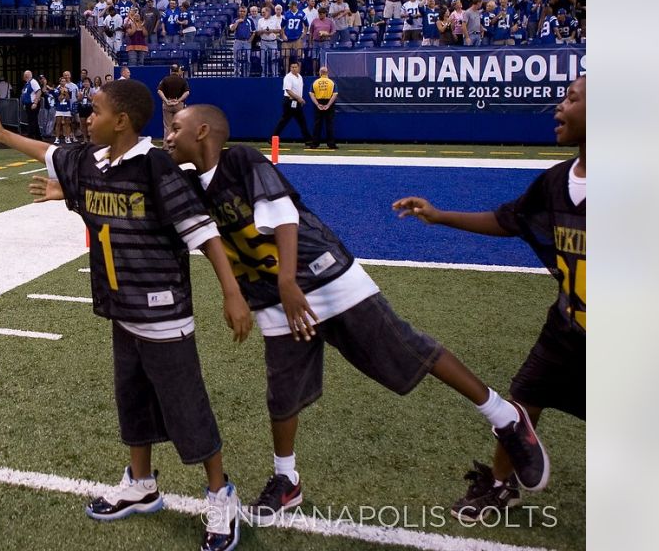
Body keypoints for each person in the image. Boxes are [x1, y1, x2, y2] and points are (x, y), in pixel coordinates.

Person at [161, 104, 549, 526]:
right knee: (282, 391)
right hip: (269, 296)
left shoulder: (241, 159)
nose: (168, 134)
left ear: (202, 131)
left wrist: (290, 282)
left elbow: (285, 216)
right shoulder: (188, 184)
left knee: (407, 349)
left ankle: (505, 416)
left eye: (176, 127)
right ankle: (286, 479)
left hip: (320, 275)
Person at [0, 81, 251, 551]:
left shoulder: (156, 167)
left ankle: (221, 494)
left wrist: (232, 293)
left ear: (121, 121)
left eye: (95, 110)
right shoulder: (89, 160)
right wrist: (4, 137)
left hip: (163, 313)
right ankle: (141, 484)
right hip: (122, 312)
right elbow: (50, 153)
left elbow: (202, 231)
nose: (86, 116)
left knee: (187, 410)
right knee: (132, 403)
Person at [393, 74, 585, 520]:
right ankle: (500, 486)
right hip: (567, 325)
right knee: (521, 403)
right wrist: (439, 217)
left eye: (571, 98)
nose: (559, 105)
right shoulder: (556, 182)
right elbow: (509, 221)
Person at [272, 62, 313, 148]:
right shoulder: (288, 77)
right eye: (292, 67)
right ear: (290, 68)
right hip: (290, 102)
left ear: (298, 68)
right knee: (284, 121)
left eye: (295, 67)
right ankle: (273, 139)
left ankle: (308, 140)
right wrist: (299, 98)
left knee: (301, 121)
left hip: (296, 102)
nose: (294, 69)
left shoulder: (299, 77)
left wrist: (299, 100)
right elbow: (288, 90)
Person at [157, 64, 190, 138]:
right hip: (178, 104)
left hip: (167, 104)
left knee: (168, 126)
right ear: (178, 71)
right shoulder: (182, 80)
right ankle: (179, 145)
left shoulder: (165, 79)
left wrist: (166, 100)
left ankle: (167, 146)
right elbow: (187, 92)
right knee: (179, 125)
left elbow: (159, 91)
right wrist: (179, 100)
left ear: (170, 71)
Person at [308, 66, 338, 149]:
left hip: (319, 102)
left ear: (320, 73)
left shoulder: (315, 82)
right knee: (329, 124)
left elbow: (311, 94)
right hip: (329, 102)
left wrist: (317, 104)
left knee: (317, 124)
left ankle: (315, 144)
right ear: (327, 73)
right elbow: (335, 94)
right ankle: (331, 144)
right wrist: (328, 105)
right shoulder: (332, 83)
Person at [19, 70, 42, 140]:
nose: (24, 76)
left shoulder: (33, 82)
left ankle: (31, 137)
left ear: (29, 75)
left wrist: (35, 103)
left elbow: (38, 91)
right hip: (28, 104)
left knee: (32, 121)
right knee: (33, 120)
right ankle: (38, 137)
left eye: (26, 75)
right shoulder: (27, 83)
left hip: (32, 104)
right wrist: (25, 104)